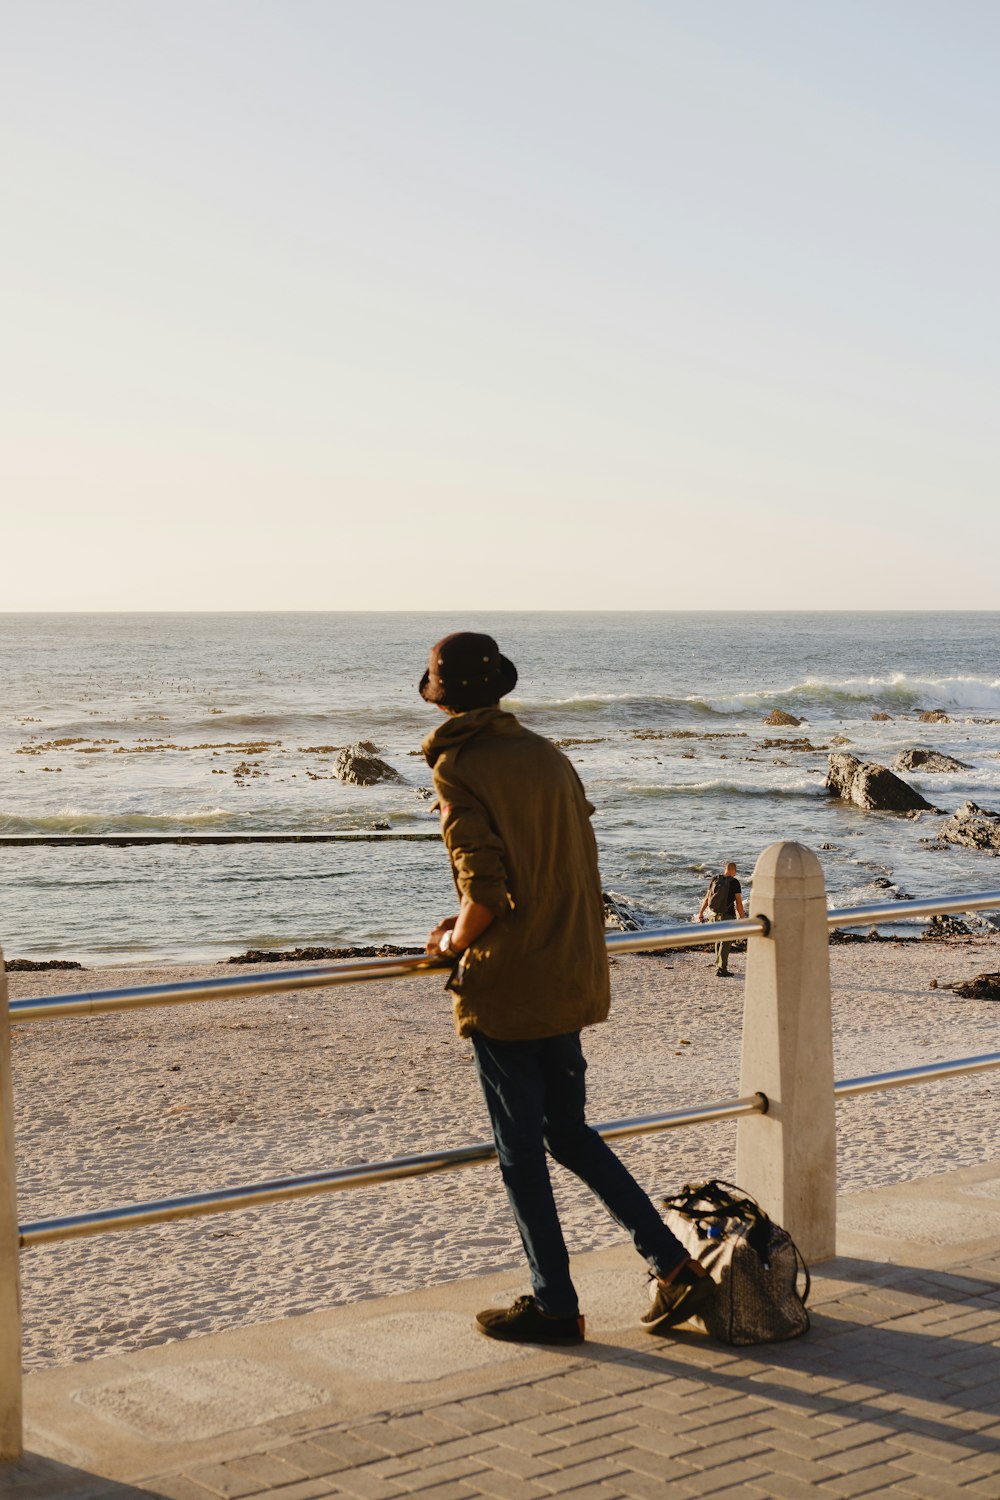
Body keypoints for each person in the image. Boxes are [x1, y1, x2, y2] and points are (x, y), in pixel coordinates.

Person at [420, 631, 711, 1346]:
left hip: (512, 985)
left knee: (520, 1155)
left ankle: (555, 1304)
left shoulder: (458, 765)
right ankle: (673, 1266)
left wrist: (453, 939)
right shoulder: (548, 756)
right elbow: (566, 867)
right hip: (567, 968)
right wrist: (471, 919)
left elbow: (485, 886)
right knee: (571, 1134)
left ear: (443, 695)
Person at [697, 861, 746, 978]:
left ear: (725, 869)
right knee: (726, 941)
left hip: (714, 914)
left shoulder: (715, 879)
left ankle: (718, 964)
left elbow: (707, 897)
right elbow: (739, 903)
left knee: (718, 939)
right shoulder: (734, 882)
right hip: (728, 915)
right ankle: (722, 969)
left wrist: (701, 913)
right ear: (733, 870)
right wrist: (742, 918)